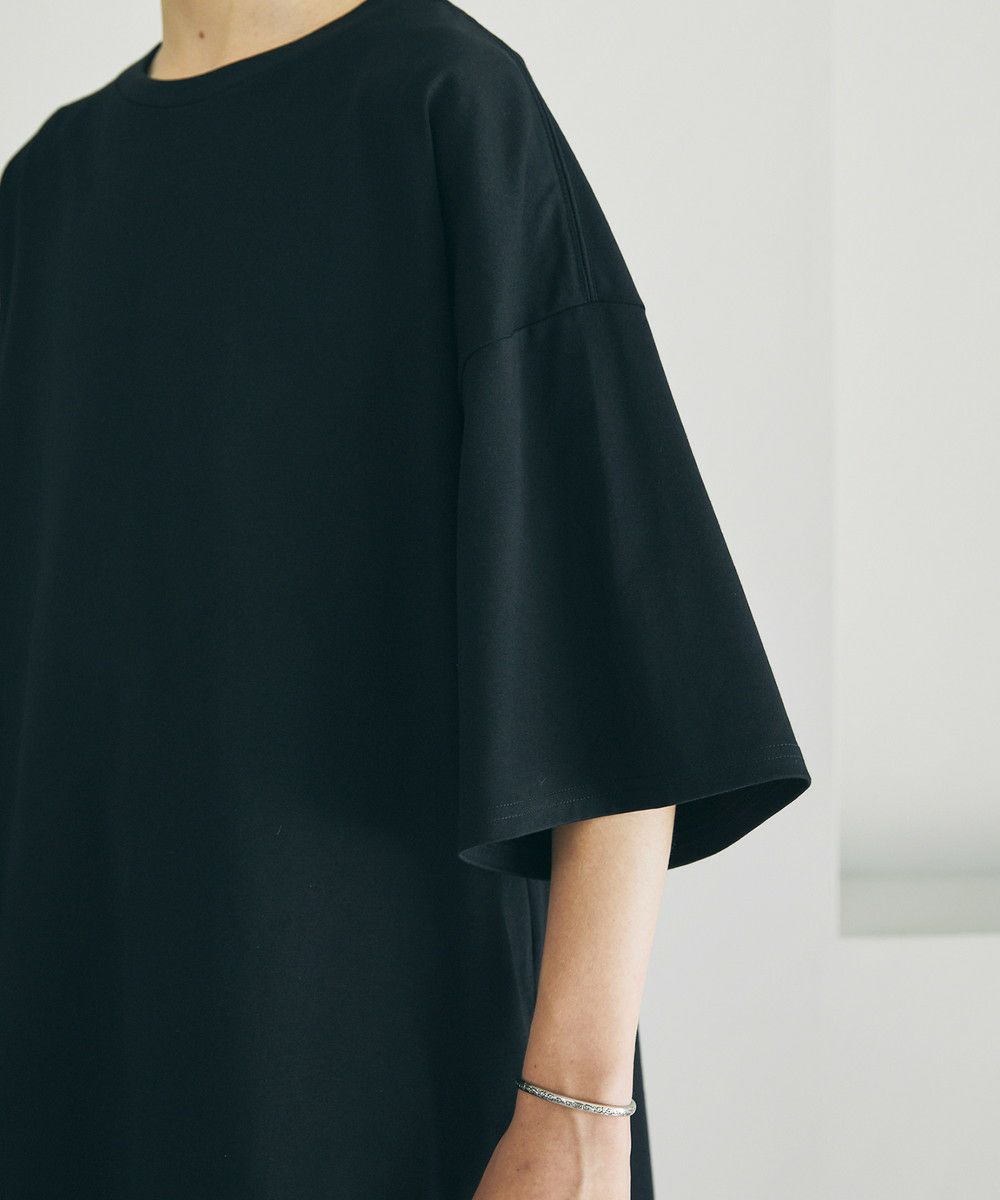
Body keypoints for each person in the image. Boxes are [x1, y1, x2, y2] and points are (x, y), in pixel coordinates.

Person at [0, 1, 812, 1197]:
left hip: (394, 1087)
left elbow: (616, 640)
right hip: (83, 1068)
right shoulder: (46, 191)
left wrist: (577, 1113)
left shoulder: (444, 99)